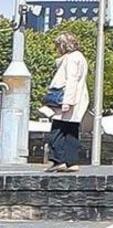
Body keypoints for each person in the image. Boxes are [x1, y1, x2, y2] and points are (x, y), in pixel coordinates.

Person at [43, 36, 90, 169]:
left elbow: (71, 80)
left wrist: (67, 101)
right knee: (71, 130)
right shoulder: (80, 57)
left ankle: (58, 160)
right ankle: (71, 161)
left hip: (66, 99)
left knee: (57, 129)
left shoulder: (71, 59)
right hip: (78, 99)